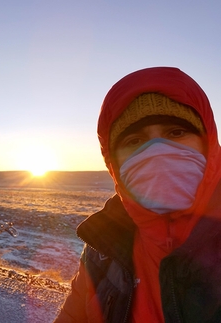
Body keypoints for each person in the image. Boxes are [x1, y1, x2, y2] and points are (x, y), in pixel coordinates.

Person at [54, 67, 221, 322]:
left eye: (176, 132)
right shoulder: (103, 248)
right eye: (134, 140)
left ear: (207, 142)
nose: (157, 151)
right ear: (114, 164)